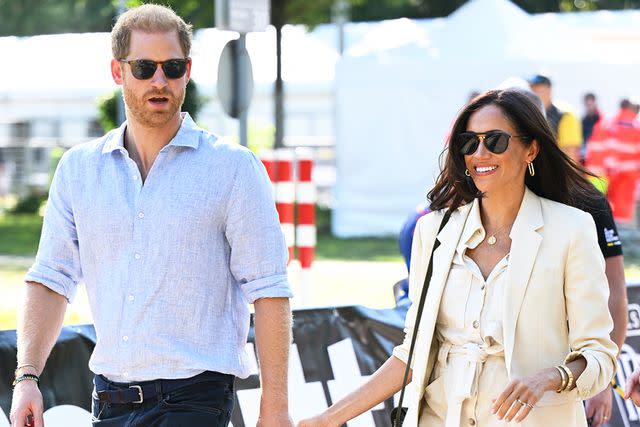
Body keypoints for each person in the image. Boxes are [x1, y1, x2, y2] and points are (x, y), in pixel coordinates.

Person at [9, 5, 294, 427]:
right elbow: (52, 278)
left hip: (195, 400)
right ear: (117, 71)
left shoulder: (233, 168)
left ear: (188, 70)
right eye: (144, 67)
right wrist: (27, 376)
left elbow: (269, 289)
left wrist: (275, 410)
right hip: (108, 401)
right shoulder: (78, 169)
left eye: (172, 67)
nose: (159, 81)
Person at [298, 90, 617, 427]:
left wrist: (549, 378)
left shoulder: (571, 229)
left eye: (495, 140)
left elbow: (599, 355)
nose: (480, 153)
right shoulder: (433, 232)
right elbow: (412, 354)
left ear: (531, 149)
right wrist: (328, 419)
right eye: (469, 142)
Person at [585, 98, 640, 225]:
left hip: (598, 176)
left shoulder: (605, 123)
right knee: (621, 220)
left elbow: (592, 148)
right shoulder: (636, 128)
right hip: (626, 178)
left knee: (595, 213)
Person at [529, 74, 583, 164]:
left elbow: (571, 155)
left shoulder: (565, 116)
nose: (532, 91)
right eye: (531, 87)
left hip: (556, 172)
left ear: (548, 89)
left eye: (537, 87)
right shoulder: (531, 115)